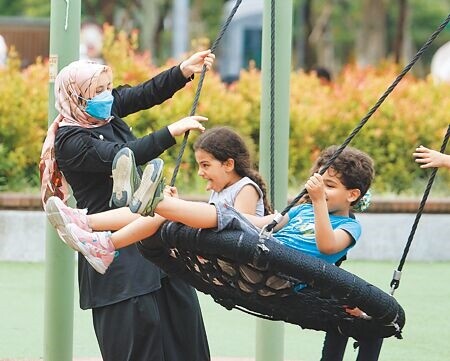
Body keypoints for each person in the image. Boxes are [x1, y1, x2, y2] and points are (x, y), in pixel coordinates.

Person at [39, 50, 215, 361]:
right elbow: (123, 155)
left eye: (108, 87)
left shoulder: (103, 112)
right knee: (139, 342)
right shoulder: (72, 141)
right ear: (76, 97)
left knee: (186, 334)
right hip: (119, 262)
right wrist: (171, 132)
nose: (107, 96)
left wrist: (182, 71)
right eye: (97, 91)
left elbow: (143, 93)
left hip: (152, 241)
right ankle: (86, 229)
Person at [46, 126, 272, 273]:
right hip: (215, 256)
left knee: (161, 211)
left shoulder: (246, 188)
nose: (200, 173)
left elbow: (243, 230)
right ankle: (86, 222)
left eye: (206, 165)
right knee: (159, 211)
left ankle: (107, 241)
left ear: (229, 164)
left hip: (237, 264)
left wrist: (184, 215)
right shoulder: (222, 191)